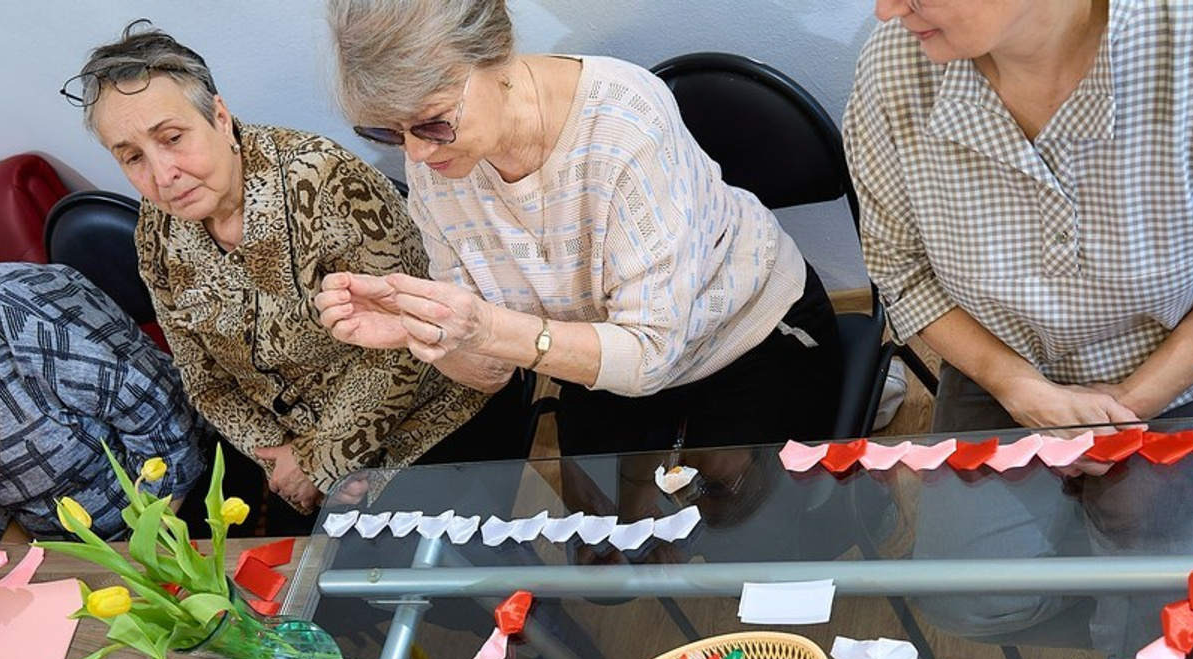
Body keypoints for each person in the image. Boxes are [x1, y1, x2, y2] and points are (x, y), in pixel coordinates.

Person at [319, 0, 842, 456]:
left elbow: (650, 353)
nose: (415, 151)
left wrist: (489, 329)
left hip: (745, 335)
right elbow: (491, 371)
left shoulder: (623, 125)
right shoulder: (435, 167)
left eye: (433, 122)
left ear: (497, 57)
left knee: (741, 538)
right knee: (605, 555)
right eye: (386, 131)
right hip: (599, 367)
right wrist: (423, 331)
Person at [66, 23, 509, 535]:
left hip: (426, 421)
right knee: (300, 596)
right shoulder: (157, 230)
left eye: (172, 138)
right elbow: (202, 378)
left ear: (219, 117)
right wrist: (282, 460)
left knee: (471, 577)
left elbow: (410, 334)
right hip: (290, 457)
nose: (163, 174)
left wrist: (322, 461)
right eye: (133, 157)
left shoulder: (321, 181)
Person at [846, 0, 1193, 435]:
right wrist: (1015, 385)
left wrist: (1131, 401)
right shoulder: (894, 66)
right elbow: (903, 270)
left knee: (1149, 501)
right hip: (997, 365)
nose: (887, 10)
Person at [0, 261, 206, 542]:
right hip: (62, 552)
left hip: (172, 507)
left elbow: (163, 422)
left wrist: (133, 557)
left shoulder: (23, 310)